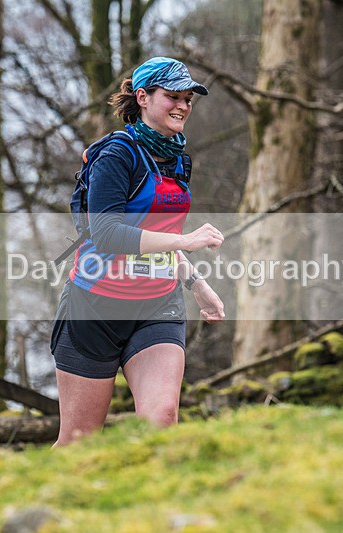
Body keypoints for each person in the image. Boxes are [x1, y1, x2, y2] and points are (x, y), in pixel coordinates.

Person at [51, 56, 225, 446]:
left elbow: (159, 235)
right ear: (143, 98)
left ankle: (156, 506)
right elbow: (108, 233)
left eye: (188, 99)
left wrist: (196, 284)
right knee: (77, 443)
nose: (182, 106)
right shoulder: (117, 154)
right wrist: (187, 241)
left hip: (156, 306)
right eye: (173, 97)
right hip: (94, 308)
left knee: (161, 420)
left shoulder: (178, 158)